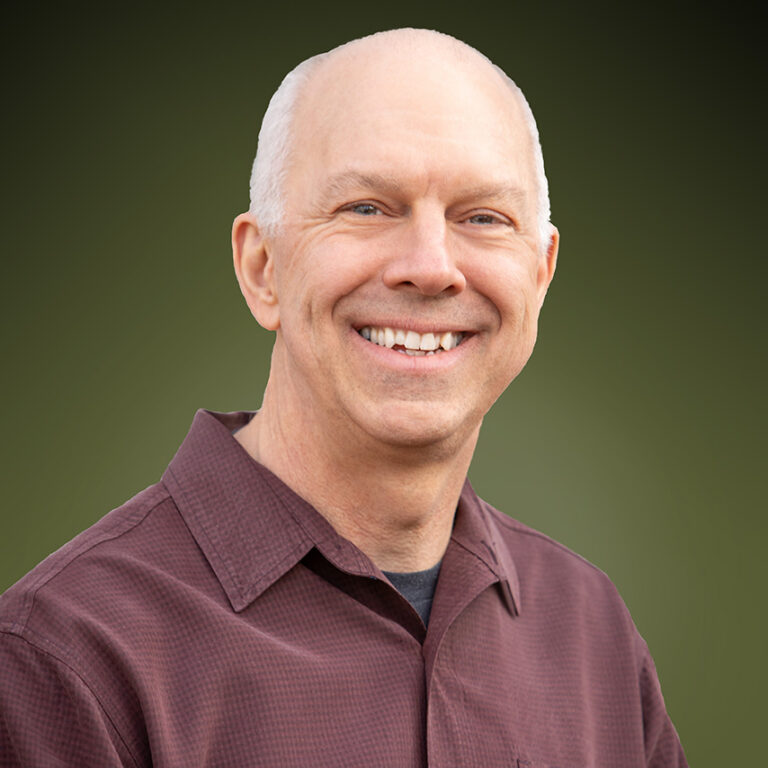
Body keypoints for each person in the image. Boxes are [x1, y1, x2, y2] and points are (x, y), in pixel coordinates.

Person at [0, 28, 687, 767]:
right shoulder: (62, 658)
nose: (431, 267)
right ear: (262, 267)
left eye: (483, 217)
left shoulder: (593, 632)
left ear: (541, 276)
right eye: (367, 208)